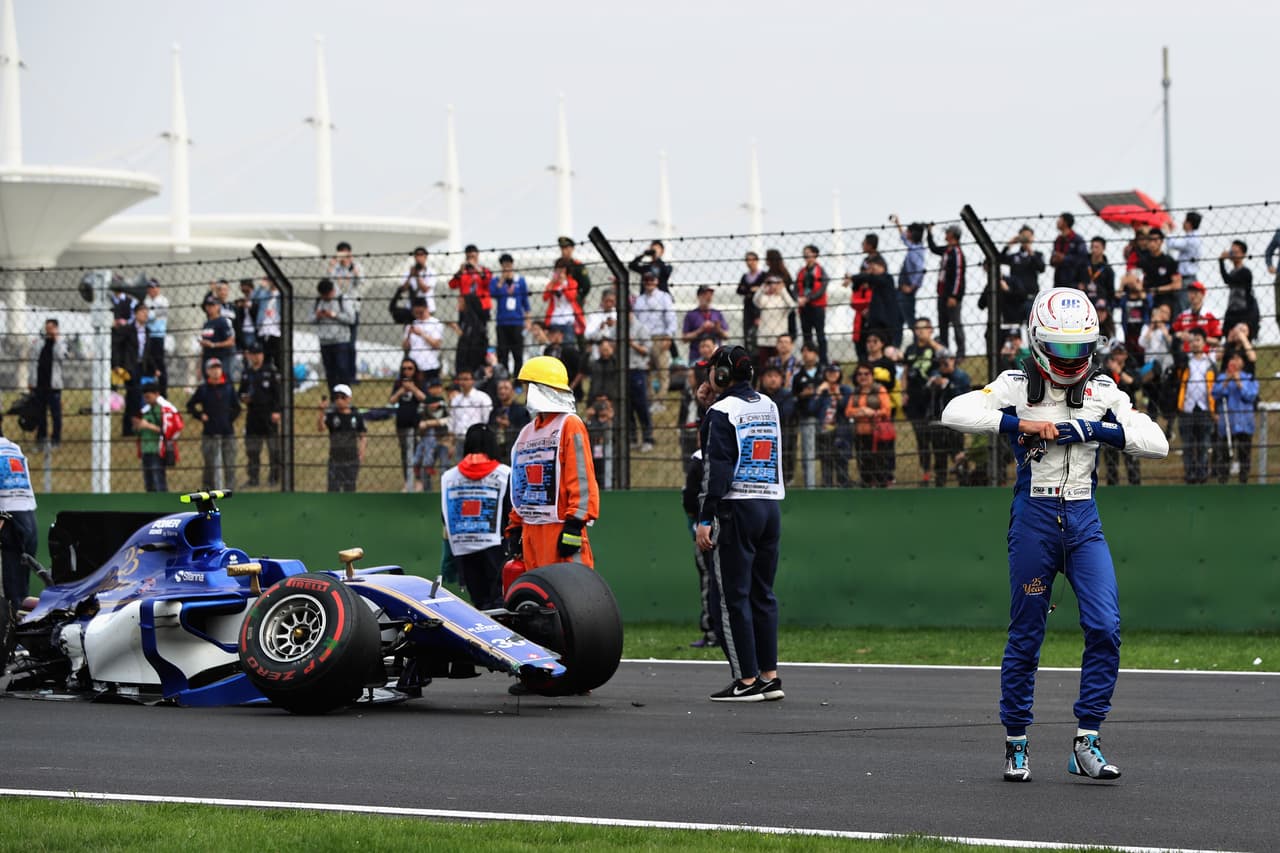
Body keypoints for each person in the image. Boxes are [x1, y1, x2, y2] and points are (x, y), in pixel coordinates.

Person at [940, 287, 1169, 783]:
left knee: (1106, 626)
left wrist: (1094, 431)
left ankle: (1087, 741)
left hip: (1084, 519)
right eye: (1061, 349)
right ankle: (1016, 743)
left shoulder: (1105, 391)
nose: (1071, 359)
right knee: (1027, 632)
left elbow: (1158, 442)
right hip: (1034, 517)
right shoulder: (1017, 382)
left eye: (1079, 349)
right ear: (1040, 342)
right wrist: (1018, 424)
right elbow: (954, 412)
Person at [694, 345, 785, 702]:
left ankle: (745, 680)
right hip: (769, 506)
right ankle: (769, 675)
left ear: (720, 375)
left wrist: (704, 518)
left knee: (732, 599)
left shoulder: (720, 411)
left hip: (735, 509)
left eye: (711, 371)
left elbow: (715, 469)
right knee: (763, 594)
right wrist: (709, 405)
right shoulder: (769, 405)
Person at [505, 355, 600, 583]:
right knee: (538, 597)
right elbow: (521, 485)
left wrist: (575, 525)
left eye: (528, 386)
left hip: (560, 529)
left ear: (542, 389)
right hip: (531, 532)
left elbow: (582, 477)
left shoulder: (570, 424)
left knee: (575, 595)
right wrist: (515, 526)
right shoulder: (527, 432)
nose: (524, 392)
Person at [441, 424, 512, 610]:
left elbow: (445, 517)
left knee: (479, 603)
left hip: (463, 550)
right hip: (497, 549)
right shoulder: (504, 474)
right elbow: (510, 513)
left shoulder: (448, 477)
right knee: (499, 601)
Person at [681, 445, 720, 649]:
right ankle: (730, 632)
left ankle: (712, 632)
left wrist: (698, 520)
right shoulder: (736, 449)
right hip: (732, 524)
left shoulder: (699, 458)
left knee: (708, 578)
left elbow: (689, 498)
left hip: (706, 528)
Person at [0, 424, 38, 619]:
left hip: (8, 519)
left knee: (11, 590)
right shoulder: (14, 448)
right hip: (28, 517)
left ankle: (14, 640)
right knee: (21, 589)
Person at [187, 359, 240, 491]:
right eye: (213, 368)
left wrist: (229, 419)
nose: (216, 371)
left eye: (218, 368)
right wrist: (200, 415)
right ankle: (209, 488)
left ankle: (230, 488)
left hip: (227, 431)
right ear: (208, 371)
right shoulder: (204, 389)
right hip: (210, 432)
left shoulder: (228, 387)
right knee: (210, 463)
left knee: (230, 462)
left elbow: (237, 407)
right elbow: (190, 405)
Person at [902, 319, 941, 486]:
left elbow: (946, 355)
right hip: (914, 397)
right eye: (917, 328)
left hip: (931, 398)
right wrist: (903, 392)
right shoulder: (910, 349)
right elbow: (905, 371)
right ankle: (926, 472)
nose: (920, 331)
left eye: (924, 328)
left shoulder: (936, 347)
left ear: (931, 330)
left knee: (936, 436)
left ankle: (940, 474)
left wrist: (931, 342)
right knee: (921, 438)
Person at [239, 343, 283, 488]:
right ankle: (253, 478)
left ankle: (274, 477)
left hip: (269, 415)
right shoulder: (247, 373)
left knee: (273, 449)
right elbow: (240, 392)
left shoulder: (271, 371)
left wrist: (277, 411)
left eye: (259, 353)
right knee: (252, 450)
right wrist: (243, 398)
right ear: (249, 355)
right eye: (254, 353)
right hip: (253, 415)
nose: (257, 356)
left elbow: (278, 394)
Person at [923, 351, 970, 487]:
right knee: (939, 456)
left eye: (948, 360)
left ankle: (964, 482)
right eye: (942, 361)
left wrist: (948, 385)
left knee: (957, 453)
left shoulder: (960, 377)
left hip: (955, 421)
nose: (945, 364)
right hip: (937, 421)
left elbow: (965, 397)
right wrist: (933, 383)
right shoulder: (935, 375)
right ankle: (940, 482)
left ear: (953, 360)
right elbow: (925, 396)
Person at [1211, 352, 1258, 484]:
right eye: (1232, 358)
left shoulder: (1248, 378)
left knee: (1244, 454)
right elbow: (1215, 394)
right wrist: (1226, 381)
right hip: (1227, 423)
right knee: (1224, 455)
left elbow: (1251, 396)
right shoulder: (1221, 378)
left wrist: (1239, 382)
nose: (1234, 362)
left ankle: (1243, 480)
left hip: (1244, 423)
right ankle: (1223, 481)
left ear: (1242, 363)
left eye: (1237, 359)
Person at [1176, 328, 1216, 484]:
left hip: (1205, 408)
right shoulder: (1186, 362)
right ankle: (1190, 473)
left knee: (1204, 443)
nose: (1195, 343)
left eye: (1198, 340)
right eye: (1192, 340)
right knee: (1188, 444)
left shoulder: (1210, 363)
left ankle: (1202, 472)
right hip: (1187, 408)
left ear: (1204, 342)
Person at [845, 363, 893, 488]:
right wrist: (861, 411)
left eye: (866, 374)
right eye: (860, 374)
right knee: (864, 465)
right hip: (860, 434)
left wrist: (873, 413)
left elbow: (887, 410)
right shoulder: (855, 392)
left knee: (879, 465)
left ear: (872, 375)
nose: (863, 377)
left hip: (878, 436)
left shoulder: (879, 390)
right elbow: (848, 411)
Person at [1101, 348, 1142, 486]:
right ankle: (1112, 484)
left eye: (1121, 353)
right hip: (1110, 418)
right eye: (1115, 353)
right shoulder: (1105, 373)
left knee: (1132, 456)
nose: (1118, 356)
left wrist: (1119, 372)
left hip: (1129, 418)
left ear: (1125, 355)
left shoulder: (1131, 369)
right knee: (1111, 457)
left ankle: (1135, 484)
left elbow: (1136, 384)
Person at [632, 269, 676, 397]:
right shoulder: (639, 300)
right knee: (646, 370)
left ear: (656, 281)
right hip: (644, 339)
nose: (649, 282)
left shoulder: (664, 297)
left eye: (652, 279)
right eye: (646, 280)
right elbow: (636, 320)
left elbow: (671, 317)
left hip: (660, 337)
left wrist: (669, 336)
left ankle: (661, 399)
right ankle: (649, 398)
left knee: (662, 370)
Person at [133, 376, 181, 493]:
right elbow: (137, 430)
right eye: (145, 398)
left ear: (156, 394)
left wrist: (148, 426)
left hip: (157, 449)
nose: (147, 400)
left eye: (149, 397)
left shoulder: (165, 410)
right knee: (148, 482)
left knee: (158, 480)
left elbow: (169, 430)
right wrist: (137, 426)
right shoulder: (144, 411)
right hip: (146, 448)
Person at [926, 224, 966, 358]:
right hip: (942, 295)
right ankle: (945, 351)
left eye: (947, 232)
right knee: (942, 325)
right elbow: (933, 248)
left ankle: (961, 353)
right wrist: (929, 233)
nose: (945, 234)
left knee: (956, 324)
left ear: (952, 235)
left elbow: (958, 276)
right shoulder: (947, 250)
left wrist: (954, 296)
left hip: (951, 296)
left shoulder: (957, 252)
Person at [319, 384, 366, 492]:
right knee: (333, 488)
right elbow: (321, 428)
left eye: (343, 397)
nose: (339, 400)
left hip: (351, 458)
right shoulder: (332, 415)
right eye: (337, 397)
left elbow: (362, 435)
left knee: (349, 487)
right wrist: (321, 412)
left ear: (349, 398)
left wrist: (362, 452)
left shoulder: (356, 415)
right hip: (335, 459)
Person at [28, 318, 66, 449]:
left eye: (51, 328)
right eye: (47, 328)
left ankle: (56, 439)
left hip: (53, 385)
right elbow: (32, 362)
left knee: (56, 415)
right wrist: (31, 381)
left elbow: (61, 356)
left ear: (56, 328)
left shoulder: (60, 343)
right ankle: (41, 438)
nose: (48, 331)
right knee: (40, 413)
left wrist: (56, 340)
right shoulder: (39, 342)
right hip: (39, 384)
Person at [390, 359, 426, 491]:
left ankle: (418, 480)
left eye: (410, 368)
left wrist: (413, 389)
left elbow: (425, 398)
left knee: (418, 452)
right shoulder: (398, 383)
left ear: (415, 370)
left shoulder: (420, 383)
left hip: (416, 423)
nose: (407, 371)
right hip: (402, 423)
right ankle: (407, 480)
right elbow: (392, 400)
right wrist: (401, 390)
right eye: (404, 368)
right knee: (405, 453)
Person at [491, 252, 530, 376]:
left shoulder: (520, 281)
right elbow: (493, 294)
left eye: (509, 265)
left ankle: (518, 379)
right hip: (502, 322)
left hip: (517, 321)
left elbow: (525, 301)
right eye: (504, 266)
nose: (507, 268)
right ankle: (504, 376)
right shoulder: (496, 280)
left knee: (517, 352)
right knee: (503, 352)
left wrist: (527, 319)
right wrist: (502, 280)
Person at [328, 242, 363, 381]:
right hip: (337, 310)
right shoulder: (335, 268)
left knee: (351, 344)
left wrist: (351, 266)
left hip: (353, 308)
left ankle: (351, 375)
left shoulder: (356, 266)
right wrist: (333, 265)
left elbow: (359, 281)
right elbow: (330, 284)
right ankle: (339, 374)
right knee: (338, 343)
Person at [814, 363, 852, 488]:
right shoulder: (821, 390)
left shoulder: (845, 390)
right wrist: (819, 392)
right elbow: (811, 408)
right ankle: (827, 488)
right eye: (829, 372)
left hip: (841, 431)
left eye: (835, 372)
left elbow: (846, 408)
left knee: (842, 462)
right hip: (824, 431)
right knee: (826, 463)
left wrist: (837, 394)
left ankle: (844, 488)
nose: (832, 375)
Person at [314, 278, 355, 391]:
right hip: (324, 341)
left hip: (340, 340)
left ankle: (345, 395)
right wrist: (317, 316)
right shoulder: (318, 301)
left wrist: (333, 315)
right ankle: (334, 397)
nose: (325, 298)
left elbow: (351, 318)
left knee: (342, 369)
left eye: (327, 295)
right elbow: (310, 318)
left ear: (332, 291)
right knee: (330, 371)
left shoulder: (342, 299)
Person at [891, 215, 927, 337]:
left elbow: (920, 270)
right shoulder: (914, 248)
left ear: (912, 234)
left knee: (910, 321)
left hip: (907, 291)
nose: (905, 232)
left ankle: (919, 342)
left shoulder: (915, 252)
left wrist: (913, 287)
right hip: (902, 290)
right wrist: (898, 223)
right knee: (898, 321)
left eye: (908, 231)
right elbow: (904, 238)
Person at [794, 244, 829, 364]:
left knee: (820, 335)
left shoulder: (821, 271)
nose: (806, 256)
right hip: (804, 307)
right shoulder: (801, 272)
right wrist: (798, 298)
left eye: (809, 253)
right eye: (805, 254)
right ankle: (808, 358)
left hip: (817, 307)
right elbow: (795, 288)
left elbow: (821, 289)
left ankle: (823, 360)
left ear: (815, 255)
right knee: (806, 335)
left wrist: (807, 298)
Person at [448, 370, 494, 462]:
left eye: (466, 379)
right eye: (460, 379)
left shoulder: (482, 398)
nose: (462, 382)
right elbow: (452, 422)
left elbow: (486, 419)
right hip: (460, 440)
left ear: (472, 380)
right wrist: (451, 444)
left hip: (477, 441)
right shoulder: (455, 400)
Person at [625, 313, 655, 452]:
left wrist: (632, 343)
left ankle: (648, 438)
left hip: (637, 370)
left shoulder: (641, 328)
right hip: (622, 370)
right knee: (627, 407)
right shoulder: (617, 327)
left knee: (641, 406)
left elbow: (647, 350)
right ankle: (632, 438)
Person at [753, 274, 797, 367]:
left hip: (779, 339)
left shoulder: (784, 301)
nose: (773, 285)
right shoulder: (765, 299)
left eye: (776, 283)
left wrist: (783, 290)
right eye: (771, 283)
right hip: (764, 338)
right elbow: (755, 300)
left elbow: (792, 306)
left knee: (779, 367)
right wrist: (763, 286)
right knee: (764, 367)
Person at [1219, 240, 1259, 339]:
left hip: (1244, 311)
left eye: (1236, 252)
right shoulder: (1233, 271)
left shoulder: (1245, 272)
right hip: (1232, 309)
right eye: (1232, 252)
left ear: (1243, 254)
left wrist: (1221, 262)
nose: (1232, 255)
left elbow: (1228, 280)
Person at [488, 377, 531, 465]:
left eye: (506, 388)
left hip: (515, 452)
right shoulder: (494, 411)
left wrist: (509, 425)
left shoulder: (521, 411)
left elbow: (526, 432)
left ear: (512, 391)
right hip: (496, 453)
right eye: (500, 389)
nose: (502, 391)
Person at [402, 297, 444, 387]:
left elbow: (436, 344)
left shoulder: (436, 323)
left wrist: (421, 334)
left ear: (427, 309)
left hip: (430, 365)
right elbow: (405, 347)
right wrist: (409, 334)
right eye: (415, 313)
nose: (418, 315)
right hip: (413, 366)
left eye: (420, 312)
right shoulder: (411, 324)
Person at [1082, 237, 1117, 341]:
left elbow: (1111, 292)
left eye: (1097, 247)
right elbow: (1074, 281)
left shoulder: (1108, 270)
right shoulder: (1083, 266)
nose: (1094, 250)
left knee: (1103, 337)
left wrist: (1107, 309)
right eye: (1092, 247)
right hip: (1085, 307)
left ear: (1103, 248)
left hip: (1102, 309)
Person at [1141, 230, 1182, 316]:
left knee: (1162, 311)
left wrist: (1157, 290)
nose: (1152, 243)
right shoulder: (1143, 260)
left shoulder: (1169, 261)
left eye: (1155, 240)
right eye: (1150, 240)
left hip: (1164, 297)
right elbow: (1139, 279)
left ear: (1161, 242)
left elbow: (1177, 285)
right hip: (1145, 295)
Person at [681, 286, 729, 360]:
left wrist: (718, 329)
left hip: (716, 355)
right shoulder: (691, 315)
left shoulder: (717, 314)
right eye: (705, 294)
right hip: (696, 356)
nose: (708, 297)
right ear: (699, 296)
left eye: (710, 295)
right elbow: (684, 338)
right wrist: (700, 330)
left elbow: (726, 336)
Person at [1165, 210, 1203, 297]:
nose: (1183, 223)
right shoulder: (1192, 237)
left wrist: (1167, 232)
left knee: (1183, 305)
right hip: (1187, 278)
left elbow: (1172, 244)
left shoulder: (1192, 239)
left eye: (1185, 221)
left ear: (1189, 224)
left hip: (1187, 279)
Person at [737, 251, 766, 354]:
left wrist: (748, 289)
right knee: (747, 332)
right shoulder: (745, 276)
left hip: (759, 307)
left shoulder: (762, 275)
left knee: (758, 331)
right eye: (747, 260)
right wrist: (752, 289)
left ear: (757, 261)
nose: (749, 262)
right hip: (748, 307)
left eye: (752, 260)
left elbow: (763, 288)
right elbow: (739, 290)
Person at [143, 278, 169, 391]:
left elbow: (150, 316)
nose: (152, 290)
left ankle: (163, 389)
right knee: (148, 361)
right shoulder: (146, 301)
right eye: (150, 288)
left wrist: (146, 315)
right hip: (147, 335)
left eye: (154, 287)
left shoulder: (163, 301)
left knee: (159, 362)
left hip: (158, 336)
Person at [252, 277, 283, 371]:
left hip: (276, 330)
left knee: (278, 357)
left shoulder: (281, 295)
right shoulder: (264, 294)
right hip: (263, 329)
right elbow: (253, 299)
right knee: (265, 357)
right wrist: (261, 287)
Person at [1050, 212, 1088, 287]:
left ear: (1065, 223)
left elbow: (1083, 259)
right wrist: (1054, 260)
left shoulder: (1077, 239)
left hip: (1074, 281)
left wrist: (1064, 258)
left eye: (1060, 220)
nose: (1057, 222)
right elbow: (1053, 259)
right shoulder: (1058, 240)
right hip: (1059, 281)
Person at [583, 288, 618, 359]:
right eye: (606, 301)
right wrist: (599, 328)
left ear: (615, 302)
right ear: (602, 300)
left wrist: (615, 326)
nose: (609, 304)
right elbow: (587, 335)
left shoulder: (619, 315)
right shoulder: (594, 316)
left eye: (611, 301)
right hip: (597, 352)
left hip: (615, 351)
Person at [557, 236, 593, 301]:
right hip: (559, 298)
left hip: (573, 299)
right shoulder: (558, 264)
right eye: (562, 248)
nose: (563, 251)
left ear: (572, 249)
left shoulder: (578, 265)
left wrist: (579, 297)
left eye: (566, 248)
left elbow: (586, 285)